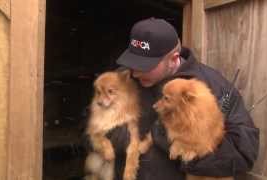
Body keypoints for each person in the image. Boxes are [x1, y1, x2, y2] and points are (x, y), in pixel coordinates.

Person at [106, 17, 259, 180]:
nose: (135, 72)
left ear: (173, 59)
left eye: (145, 66)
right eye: (134, 62)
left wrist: (179, 144)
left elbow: (243, 154)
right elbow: (89, 128)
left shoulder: (213, 87)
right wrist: (121, 136)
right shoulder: (120, 80)